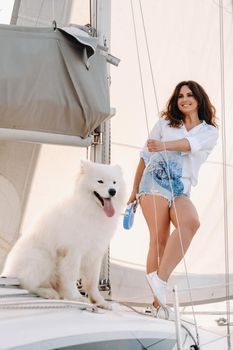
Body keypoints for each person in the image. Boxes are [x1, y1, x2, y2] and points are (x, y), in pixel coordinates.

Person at [127, 80, 218, 310]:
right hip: (154, 180)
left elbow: (189, 145)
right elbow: (145, 156)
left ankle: (160, 279)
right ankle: (157, 306)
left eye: (189, 95)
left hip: (180, 189)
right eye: (180, 96)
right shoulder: (166, 123)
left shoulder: (209, 131)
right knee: (159, 240)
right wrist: (133, 190)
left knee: (191, 223)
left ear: (198, 99)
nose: (184, 99)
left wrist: (163, 145)